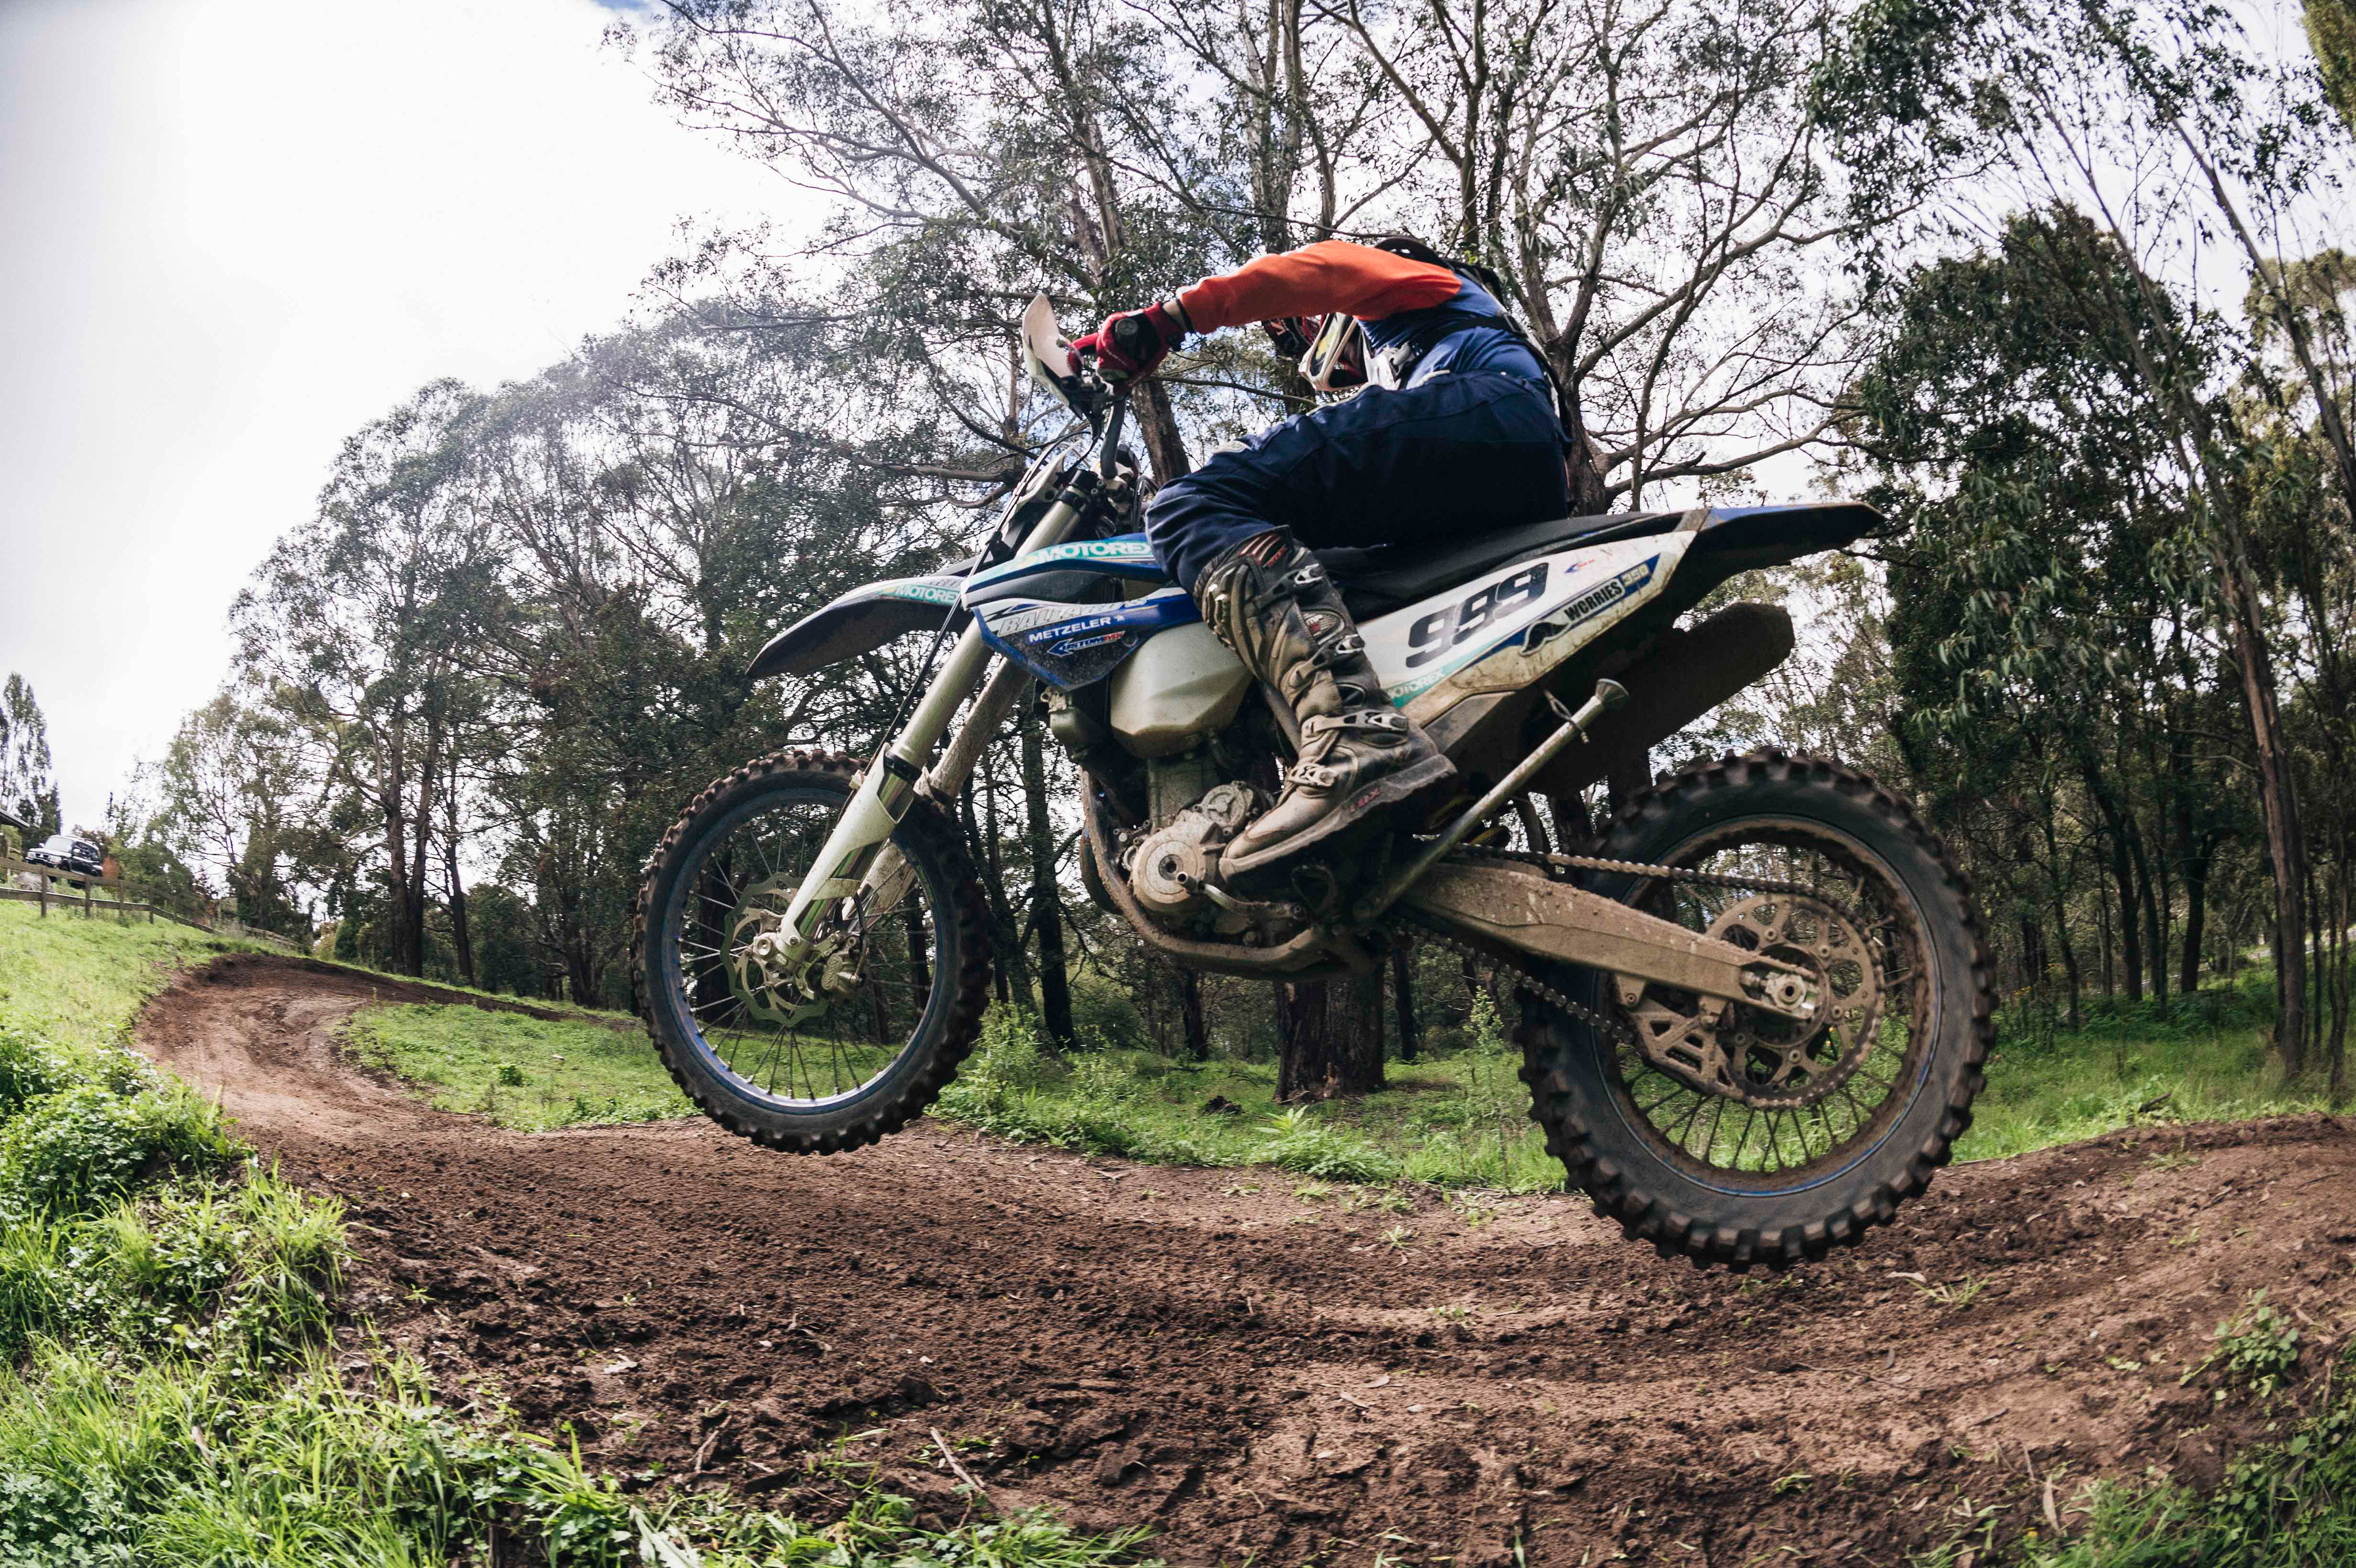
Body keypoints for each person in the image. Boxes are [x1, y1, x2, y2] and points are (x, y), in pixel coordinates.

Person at [1077, 236, 1570, 881]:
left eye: (1299, 327)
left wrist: (1169, 319)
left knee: (1190, 505)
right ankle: (1422, 767)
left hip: (1491, 412)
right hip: (1519, 467)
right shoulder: (1439, 350)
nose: (1298, 337)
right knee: (1313, 577)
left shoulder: (1417, 283)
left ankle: (1352, 735)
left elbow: (1324, 270)